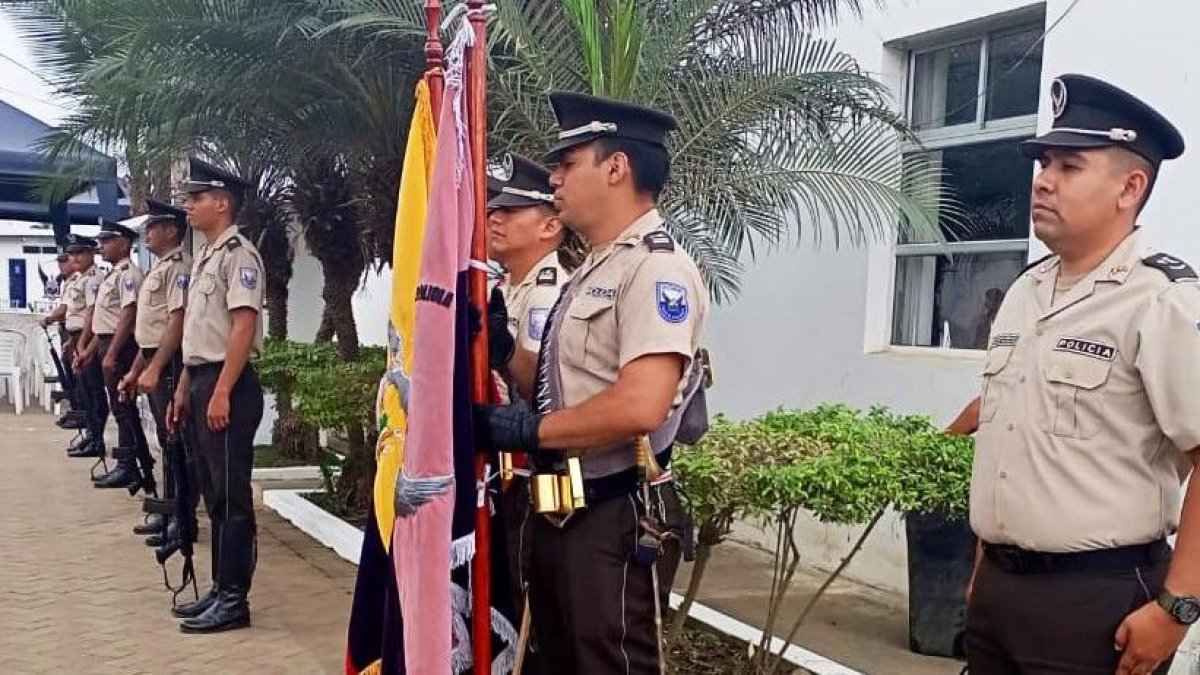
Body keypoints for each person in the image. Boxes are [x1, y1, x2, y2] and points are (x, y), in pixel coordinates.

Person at [965, 74, 1200, 675]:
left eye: (1070, 166)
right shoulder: (1024, 292)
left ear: (1130, 187)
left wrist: (1176, 609)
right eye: (1044, 162)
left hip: (1097, 603)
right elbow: (1008, 439)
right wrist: (981, 570)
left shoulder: (1162, 301)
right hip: (998, 593)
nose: (1043, 179)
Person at [475, 92, 710, 673]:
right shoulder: (596, 267)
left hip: (615, 510)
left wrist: (529, 430)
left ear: (616, 167)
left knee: (606, 663)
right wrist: (506, 352)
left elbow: (640, 405)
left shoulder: (657, 269)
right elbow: (561, 390)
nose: (554, 178)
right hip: (563, 507)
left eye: (567, 163)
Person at [484, 153, 578, 645]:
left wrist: (502, 350)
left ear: (549, 226)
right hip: (504, 472)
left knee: (531, 609)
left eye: (510, 211)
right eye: (494, 208)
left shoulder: (547, 292)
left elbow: (537, 385)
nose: (494, 217)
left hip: (533, 472)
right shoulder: (508, 286)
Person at [169, 157, 264, 634]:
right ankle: (219, 589)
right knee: (213, 496)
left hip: (230, 384)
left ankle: (234, 600)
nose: (188, 205)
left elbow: (243, 327)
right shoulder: (206, 255)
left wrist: (223, 390)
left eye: (197, 197)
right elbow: (198, 335)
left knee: (232, 498)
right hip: (205, 380)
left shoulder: (238, 255)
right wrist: (186, 389)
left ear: (222, 204)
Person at [118, 199, 194, 542]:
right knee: (167, 441)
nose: (146, 233)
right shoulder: (159, 267)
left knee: (178, 441)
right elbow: (147, 331)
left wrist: (158, 366)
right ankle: (169, 512)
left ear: (171, 231)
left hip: (172, 360)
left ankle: (183, 516)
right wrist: (138, 368)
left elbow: (176, 323)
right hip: (153, 357)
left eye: (153, 227)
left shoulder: (179, 267)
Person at [88, 218, 153, 493]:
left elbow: (128, 314)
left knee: (123, 406)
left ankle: (131, 466)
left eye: (107, 241)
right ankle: (132, 462)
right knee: (119, 407)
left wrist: (112, 352)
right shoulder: (114, 274)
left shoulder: (128, 274)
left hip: (121, 346)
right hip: (108, 342)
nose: (101, 246)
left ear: (124, 243)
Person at [64, 234, 109, 460]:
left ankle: (96, 438)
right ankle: (91, 434)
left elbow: (92, 313)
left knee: (93, 390)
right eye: (72, 254)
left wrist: (83, 345)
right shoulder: (79, 278)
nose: (75, 258)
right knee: (84, 390)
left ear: (92, 253)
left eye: (80, 252)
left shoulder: (93, 279)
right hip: (77, 338)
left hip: (88, 339)